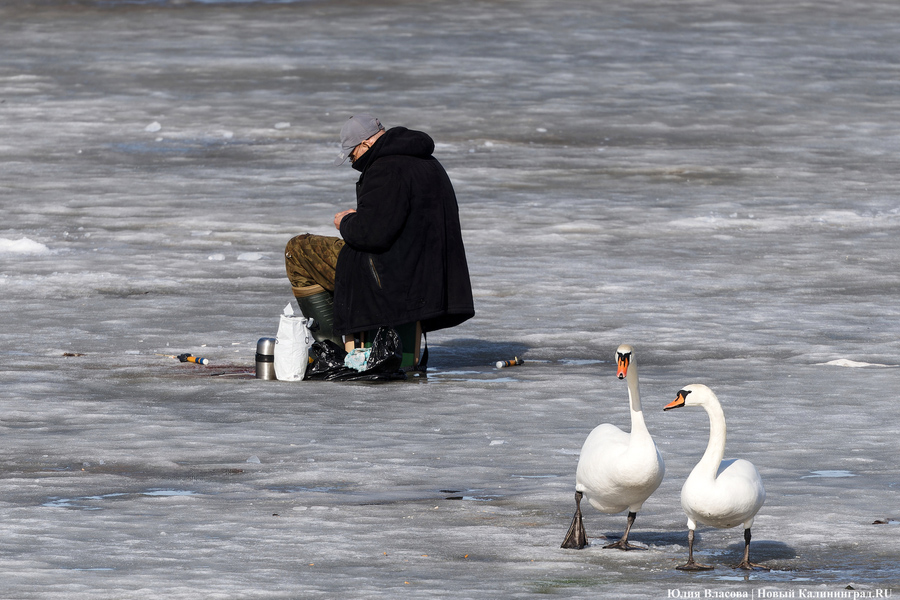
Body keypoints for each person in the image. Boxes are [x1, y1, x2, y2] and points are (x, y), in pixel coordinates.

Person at [284, 113, 474, 352]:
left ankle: (332, 351)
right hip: (427, 279)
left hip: (394, 277)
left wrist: (346, 221)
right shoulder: (428, 162)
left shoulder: (385, 168)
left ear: (365, 144)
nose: (354, 163)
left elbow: (371, 236)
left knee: (298, 250)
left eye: (353, 155)